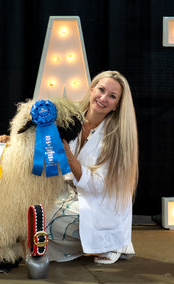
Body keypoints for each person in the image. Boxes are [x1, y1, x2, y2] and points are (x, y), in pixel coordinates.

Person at [47, 70, 139, 264]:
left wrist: (69, 157)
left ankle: (112, 243)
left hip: (98, 202)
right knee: (31, 208)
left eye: (112, 96)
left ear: (117, 106)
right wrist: (13, 140)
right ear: (91, 89)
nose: (103, 98)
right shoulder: (68, 121)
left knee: (44, 218)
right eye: (101, 90)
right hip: (67, 193)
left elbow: (99, 185)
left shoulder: (119, 139)